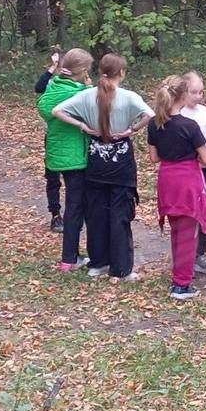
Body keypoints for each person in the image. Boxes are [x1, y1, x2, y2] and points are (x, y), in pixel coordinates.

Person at [52, 54, 152, 282]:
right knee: (120, 214)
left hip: (96, 160)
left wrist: (82, 125)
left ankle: (98, 264)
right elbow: (150, 115)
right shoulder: (129, 97)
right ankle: (122, 268)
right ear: (122, 73)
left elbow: (57, 111)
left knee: (96, 213)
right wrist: (132, 130)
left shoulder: (86, 95)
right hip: (121, 162)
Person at [148, 75, 206, 300]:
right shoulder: (190, 125)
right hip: (188, 181)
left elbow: (154, 157)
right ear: (183, 96)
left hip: (167, 179)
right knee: (188, 234)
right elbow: (205, 160)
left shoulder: (154, 123)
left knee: (177, 230)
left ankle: (179, 273)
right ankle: (181, 284)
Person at [37, 49, 94, 271]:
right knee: (75, 207)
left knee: (74, 204)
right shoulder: (78, 93)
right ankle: (70, 257)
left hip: (58, 154)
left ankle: (71, 256)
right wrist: (88, 88)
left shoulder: (54, 87)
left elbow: (43, 104)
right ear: (81, 71)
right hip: (75, 156)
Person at [180, 71, 206, 276]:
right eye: (193, 92)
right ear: (183, 92)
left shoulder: (205, 112)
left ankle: (200, 254)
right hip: (188, 169)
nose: (197, 96)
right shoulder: (179, 113)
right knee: (188, 212)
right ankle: (186, 255)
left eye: (200, 92)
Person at [35, 52, 65, 233]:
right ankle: (55, 214)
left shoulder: (80, 85)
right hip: (53, 137)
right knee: (53, 178)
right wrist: (52, 67)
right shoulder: (52, 84)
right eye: (61, 66)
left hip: (76, 137)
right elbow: (38, 87)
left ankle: (77, 213)